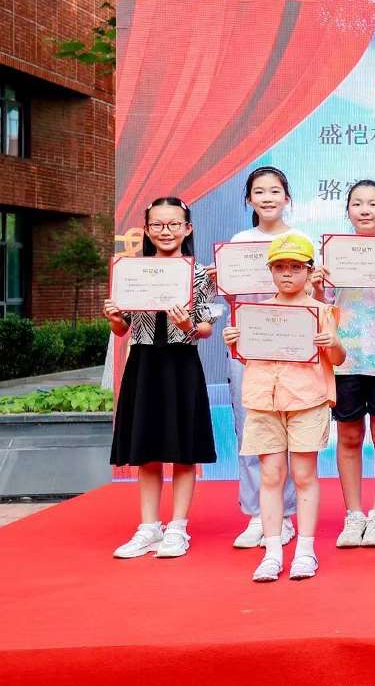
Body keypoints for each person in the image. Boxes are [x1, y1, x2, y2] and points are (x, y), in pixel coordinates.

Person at [223, 233, 345, 582]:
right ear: (271, 271)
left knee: (304, 476)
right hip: (265, 400)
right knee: (271, 476)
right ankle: (273, 551)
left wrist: (333, 342)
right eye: (280, 267)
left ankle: (305, 550)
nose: (287, 273)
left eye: (295, 267)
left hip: (308, 400)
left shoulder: (321, 311)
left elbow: (338, 358)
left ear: (309, 270)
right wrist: (234, 343)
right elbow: (246, 356)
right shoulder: (253, 313)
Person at [106, 197, 216, 559]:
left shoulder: (199, 274)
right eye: (157, 225)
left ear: (187, 228)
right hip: (144, 362)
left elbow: (205, 327)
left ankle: (178, 527)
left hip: (181, 362)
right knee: (147, 449)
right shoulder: (131, 271)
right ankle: (149, 527)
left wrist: (188, 325)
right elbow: (122, 329)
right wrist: (113, 317)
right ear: (147, 229)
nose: (165, 231)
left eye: (173, 224)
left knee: (183, 449)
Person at [313, 180, 375, 549]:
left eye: (373, 203)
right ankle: (353, 514)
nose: (365, 210)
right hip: (345, 358)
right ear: (348, 210)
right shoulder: (333, 254)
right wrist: (318, 286)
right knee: (350, 437)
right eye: (357, 203)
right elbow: (323, 306)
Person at [220, 166, 302, 549]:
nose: (267, 198)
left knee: (288, 433)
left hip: (292, 348)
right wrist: (221, 281)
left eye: (274, 191)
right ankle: (257, 514)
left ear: (287, 197)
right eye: (259, 191)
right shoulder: (238, 243)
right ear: (249, 199)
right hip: (249, 348)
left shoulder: (301, 241)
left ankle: (284, 516)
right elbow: (232, 297)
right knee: (251, 431)